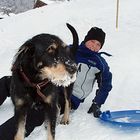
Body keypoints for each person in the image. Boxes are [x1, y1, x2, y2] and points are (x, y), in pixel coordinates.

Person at [0, 27, 112, 140]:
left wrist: (97, 103)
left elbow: (106, 85)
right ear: (86, 40)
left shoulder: (100, 64)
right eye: (92, 41)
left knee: (35, 113)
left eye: (98, 44)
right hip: (45, 84)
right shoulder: (69, 49)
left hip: (67, 97)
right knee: (7, 81)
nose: (94, 46)